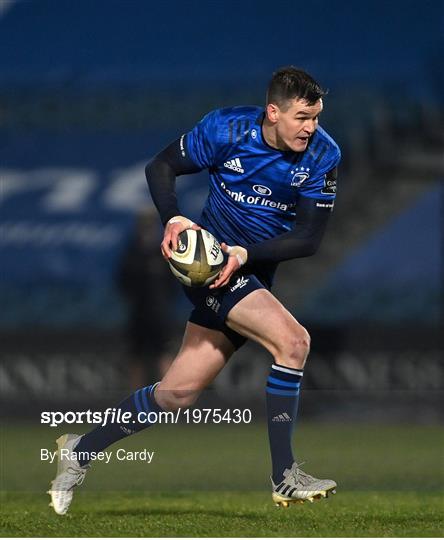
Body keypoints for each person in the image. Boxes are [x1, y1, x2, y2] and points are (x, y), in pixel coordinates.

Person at [48, 66, 340, 514]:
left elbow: (308, 239)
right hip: (210, 269)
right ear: (273, 111)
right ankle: (285, 476)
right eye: (302, 117)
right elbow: (161, 166)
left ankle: (80, 450)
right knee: (294, 341)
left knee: (176, 395)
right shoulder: (226, 129)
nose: (311, 128)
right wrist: (175, 218)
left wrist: (245, 254)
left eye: (316, 117)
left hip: (249, 268)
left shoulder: (323, 155)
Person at [116, 206, 178, 388]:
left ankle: (166, 404)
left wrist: (163, 301)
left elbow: (173, 282)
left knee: (164, 355)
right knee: (136, 358)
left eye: (149, 221)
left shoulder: (164, 249)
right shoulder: (132, 251)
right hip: (138, 312)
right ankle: (137, 404)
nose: (146, 225)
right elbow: (123, 281)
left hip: (160, 313)